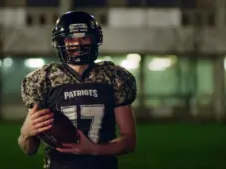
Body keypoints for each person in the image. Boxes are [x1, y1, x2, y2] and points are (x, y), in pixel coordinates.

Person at [18, 11, 137, 169]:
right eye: (70, 38)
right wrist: (26, 133)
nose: (77, 43)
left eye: (84, 37)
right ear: (61, 41)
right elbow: (29, 149)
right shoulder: (43, 79)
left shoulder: (114, 76)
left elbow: (129, 141)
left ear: (94, 39)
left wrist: (94, 149)